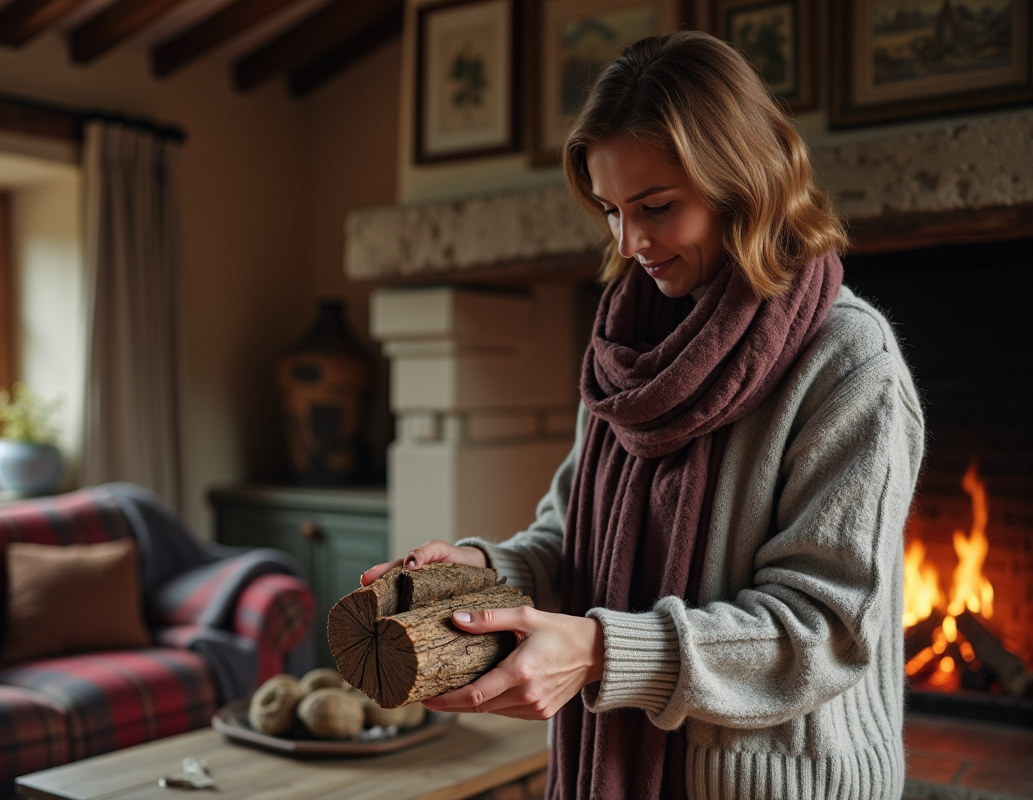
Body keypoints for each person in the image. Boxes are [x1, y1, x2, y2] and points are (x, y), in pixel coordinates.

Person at [361, 30, 924, 800]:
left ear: (745, 183)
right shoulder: (628, 349)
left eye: (657, 207)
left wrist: (598, 652)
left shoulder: (851, 363)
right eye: (611, 210)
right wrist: (486, 573)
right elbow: (571, 542)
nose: (631, 243)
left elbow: (822, 633)